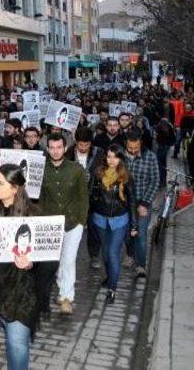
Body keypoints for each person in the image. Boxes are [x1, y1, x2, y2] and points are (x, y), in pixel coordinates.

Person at [0, 164, 40, 370]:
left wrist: (30, 262)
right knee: (11, 336)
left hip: (22, 290)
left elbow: (46, 256)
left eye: (0, 183)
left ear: (15, 188)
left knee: (17, 343)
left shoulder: (33, 215)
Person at [38, 134, 88, 316]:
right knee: (55, 262)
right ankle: (61, 289)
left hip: (73, 223)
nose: (56, 151)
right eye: (52, 147)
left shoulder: (76, 169)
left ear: (65, 148)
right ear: (48, 149)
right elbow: (40, 199)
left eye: (59, 147)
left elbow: (84, 197)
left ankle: (67, 297)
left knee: (68, 260)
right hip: (51, 223)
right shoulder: (42, 170)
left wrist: (81, 222)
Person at [89, 145, 137, 303]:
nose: (111, 160)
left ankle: (112, 289)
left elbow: (131, 202)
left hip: (119, 220)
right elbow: (91, 195)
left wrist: (134, 225)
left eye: (115, 157)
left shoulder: (126, 177)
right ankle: (110, 276)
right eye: (109, 156)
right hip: (100, 219)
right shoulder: (97, 173)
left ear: (120, 159)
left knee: (112, 254)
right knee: (105, 253)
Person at [124, 129, 160, 277]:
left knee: (141, 234)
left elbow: (155, 181)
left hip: (142, 202)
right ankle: (130, 254)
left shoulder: (150, 157)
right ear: (126, 143)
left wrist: (144, 203)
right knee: (127, 234)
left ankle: (141, 265)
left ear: (141, 144)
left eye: (136, 148)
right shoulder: (120, 156)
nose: (132, 151)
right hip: (124, 203)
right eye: (130, 148)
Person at [67, 128, 102, 269]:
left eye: (86, 145)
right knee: (72, 228)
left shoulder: (98, 153)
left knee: (93, 229)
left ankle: (94, 256)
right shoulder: (69, 153)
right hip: (73, 198)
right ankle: (69, 255)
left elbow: (103, 171)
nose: (83, 148)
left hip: (92, 196)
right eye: (80, 145)